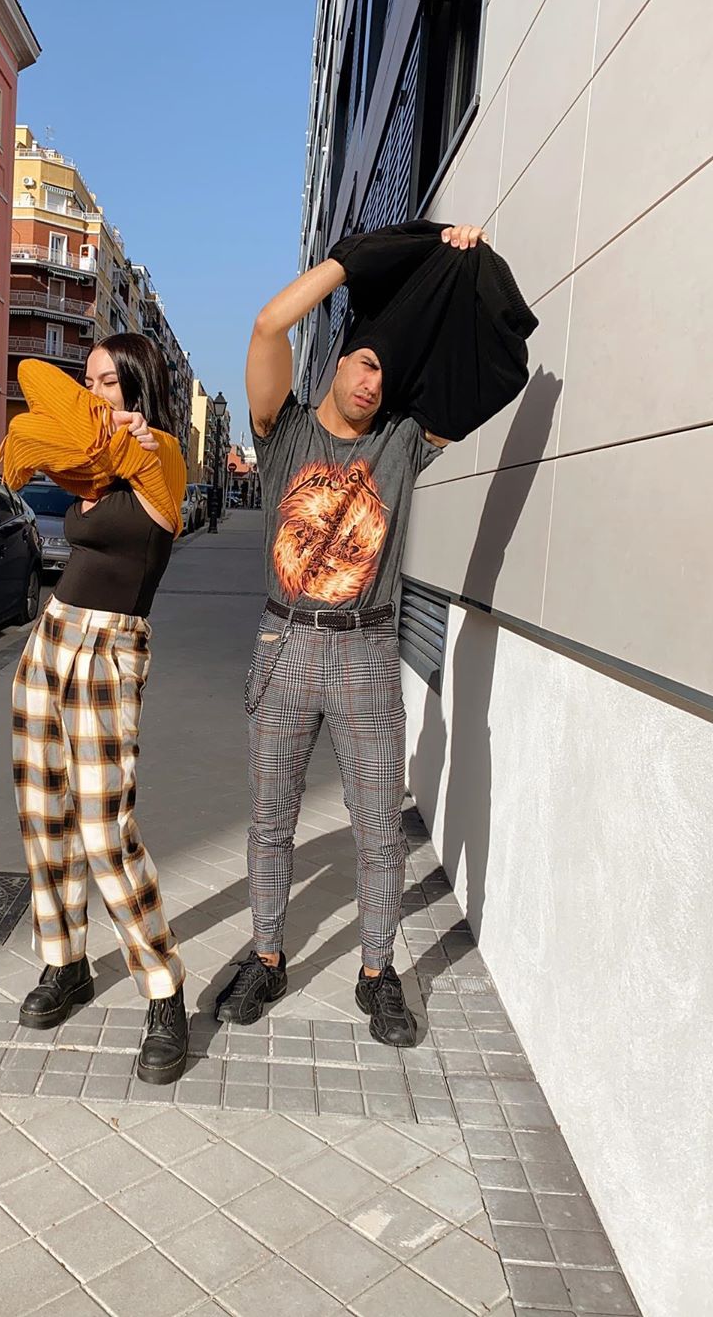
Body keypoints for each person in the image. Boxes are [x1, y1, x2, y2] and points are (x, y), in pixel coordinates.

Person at [214, 220, 537, 1047]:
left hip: (366, 648)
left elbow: (487, 377)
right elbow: (268, 325)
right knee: (270, 820)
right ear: (337, 361)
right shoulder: (284, 432)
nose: (371, 382)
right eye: (364, 362)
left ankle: (378, 972)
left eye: (385, 372)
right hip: (286, 646)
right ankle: (267, 955)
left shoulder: (403, 442)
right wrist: (363, 258)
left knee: (377, 829)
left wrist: (465, 269)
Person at [0, 334, 191, 1085]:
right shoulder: (92, 457)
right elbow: (37, 409)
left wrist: (124, 433)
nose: (92, 394)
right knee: (43, 813)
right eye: (89, 381)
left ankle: (164, 989)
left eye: (108, 382)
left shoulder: (162, 456)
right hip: (51, 637)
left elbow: (148, 481)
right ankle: (65, 961)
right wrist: (70, 431)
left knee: (105, 830)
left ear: (139, 385)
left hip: (111, 648)